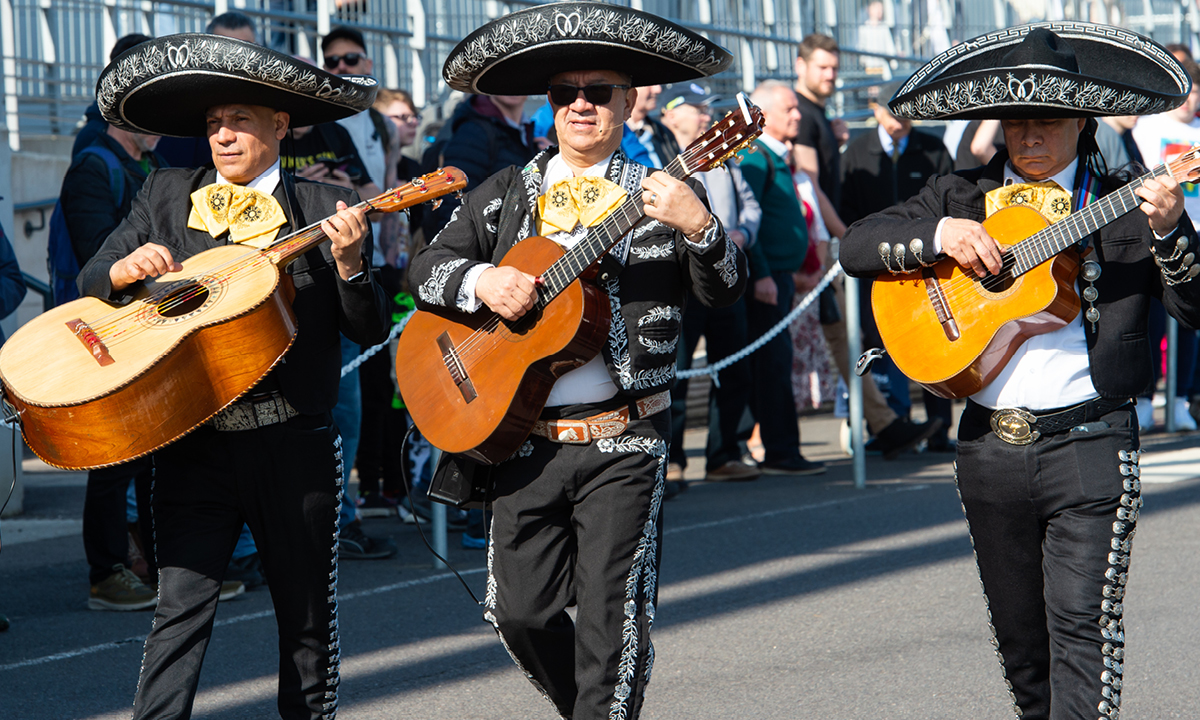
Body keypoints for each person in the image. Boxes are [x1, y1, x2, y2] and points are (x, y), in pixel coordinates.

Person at [841, 23, 1198, 720]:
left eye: (1049, 119)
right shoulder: (961, 194)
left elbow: (1197, 306)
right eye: (1016, 120)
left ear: (1082, 120)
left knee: (1082, 631)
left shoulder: (1126, 195)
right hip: (987, 447)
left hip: (1091, 443)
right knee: (1021, 646)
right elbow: (858, 243)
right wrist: (939, 236)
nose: (1031, 134)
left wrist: (1171, 231)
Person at [412, 4, 743, 717]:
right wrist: (482, 281)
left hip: (624, 437)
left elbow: (727, 293)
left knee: (610, 622)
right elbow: (423, 268)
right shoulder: (503, 194)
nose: (583, 105)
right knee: (518, 614)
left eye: (600, 92)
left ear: (631, 101)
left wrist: (702, 228)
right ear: (549, 105)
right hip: (521, 439)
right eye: (567, 93)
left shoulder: (671, 191)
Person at [80, 34, 388, 717]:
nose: (224, 135)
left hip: (294, 444)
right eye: (215, 122)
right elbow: (92, 276)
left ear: (281, 125)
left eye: (240, 120)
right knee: (176, 616)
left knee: (306, 622)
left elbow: (367, 328)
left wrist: (351, 267)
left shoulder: (322, 204)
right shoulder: (164, 193)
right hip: (194, 443)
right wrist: (120, 273)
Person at [794, 33, 942, 459]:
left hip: (825, 245)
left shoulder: (819, 117)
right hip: (819, 248)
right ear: (800, 65)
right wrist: (847, 236)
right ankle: (763, 440)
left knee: (844, 343)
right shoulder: (805, 116)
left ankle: (885, 424)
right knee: (838, 341)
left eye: (835, 68)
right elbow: (811, 188)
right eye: (822, 67)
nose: (830, 76)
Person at [60, 96, 169, 610]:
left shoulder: (146, 166)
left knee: (151, 455)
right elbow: (94, 258)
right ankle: (106, 573)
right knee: (114, 457)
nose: (162, 127)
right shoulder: (93, 166)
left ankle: (159, 568)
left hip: (139, 329)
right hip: (99, 334)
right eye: (150, 117)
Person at [839, 84, 956, 451]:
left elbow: (950, 201)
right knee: (879, 341)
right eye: (892, 115)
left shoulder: (932, 149)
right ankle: (889, 426)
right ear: (875, 111)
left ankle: (937, 427)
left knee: (938, 338)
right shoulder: (856, 154)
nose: (900, 124)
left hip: (928, 262)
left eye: (906, 116)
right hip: (878, 266)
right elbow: (847, 211)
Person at [659, 83, 762, 486]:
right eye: (694, 107)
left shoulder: (723, 155)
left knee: (735, 365)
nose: (704, 114)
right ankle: (673, 459)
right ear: (671, 114)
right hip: (682, 280)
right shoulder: (657, 156)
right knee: (676, 371)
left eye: (706, 107)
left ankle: (724, 453)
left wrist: (741, 235)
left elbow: (750, 205)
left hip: (725, 272)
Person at [735, 81, 823, 475]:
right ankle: (781, 451)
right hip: (766, 281)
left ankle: (783, 448)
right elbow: (746, 219)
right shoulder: (756, 157)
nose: (798, 114)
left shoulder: (776, 156)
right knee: (772, 363)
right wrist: (764, 275)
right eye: (789, 108)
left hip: (783, 277)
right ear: (766, 114)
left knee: (777, 361)